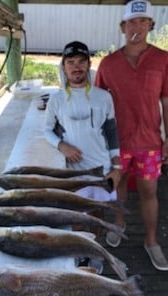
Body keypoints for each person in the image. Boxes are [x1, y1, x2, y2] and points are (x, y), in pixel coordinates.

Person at [95, 0, 168, 271]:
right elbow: (98, 105)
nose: (136, 26)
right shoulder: (108, 63)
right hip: (117, 144)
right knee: (119, 187)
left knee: (150, 191)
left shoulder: (163, 59)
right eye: (130, 22)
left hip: (150, 143)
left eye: (142, 21)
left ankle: (151, 241)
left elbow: (167, 100)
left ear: (151, 24)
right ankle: (119, 225)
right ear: (122, 27)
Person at [44, 40, 122, 271]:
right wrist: (61, 146)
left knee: (97, 214)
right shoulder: (56, 99)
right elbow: (47, 129)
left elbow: (111, 131)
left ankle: (95, 249)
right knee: (76, 214)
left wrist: (116, 165)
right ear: (64, 67)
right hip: (73, 172)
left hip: (101, 168)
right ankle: (81, 254)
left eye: (81, 61)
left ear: (89, 64)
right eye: (71, 62)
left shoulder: (103, 97)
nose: (76, 67)